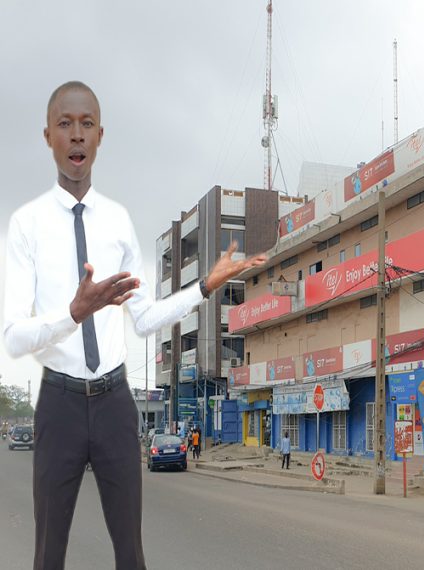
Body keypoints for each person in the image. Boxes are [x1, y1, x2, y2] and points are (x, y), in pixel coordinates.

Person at [2, 81, 267, 570]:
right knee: (48, 555)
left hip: (114, 404)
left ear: (100, 136)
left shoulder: (118, 222)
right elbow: (14, 337)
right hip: (58, 405)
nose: (76, 135)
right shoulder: (27, 225)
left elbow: (144, 319)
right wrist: (73, 313)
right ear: (47, 136)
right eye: (65, 124)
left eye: (86, 124)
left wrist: (204, 286)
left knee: (131, 553)